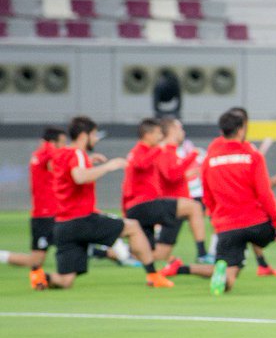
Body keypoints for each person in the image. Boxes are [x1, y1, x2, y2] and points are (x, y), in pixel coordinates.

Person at [41, 116, 168, 290]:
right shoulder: (77, 153)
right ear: (84, 135)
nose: (96, 139)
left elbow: (63, 171)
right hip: (81, 219)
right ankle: (154, 276)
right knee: (133, 227)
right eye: (94, 135)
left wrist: (88, 161)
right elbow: (79, 177)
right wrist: (108, 166)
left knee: (65, 280)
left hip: (63, 225)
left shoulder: (62, 153)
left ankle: (41, 277)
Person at [202, 110, 276, 293]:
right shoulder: (252, 156)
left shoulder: (210, 160)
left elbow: (207, 195)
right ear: (241, 130)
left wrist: (215, 219)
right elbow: (264, 193)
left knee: (230, 277)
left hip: (226, 226)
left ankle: (223, 277)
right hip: (254, 222)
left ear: (222, 131)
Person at [121, 118, 209, 266]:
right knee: (194, 207)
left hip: (156, 205)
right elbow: (169, 174)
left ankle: (125, 255)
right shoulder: (150, 151)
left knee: (158, 254)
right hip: (151, 204)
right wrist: (191, 156)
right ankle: (202, 254)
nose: (160, 137)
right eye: (157, 133)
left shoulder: (157, 151)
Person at [0, 128, 65, 287]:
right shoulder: (47, 153)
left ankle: (39, 281)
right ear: (52, 142)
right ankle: (115, 253)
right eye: (63, 142)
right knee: (36, 260)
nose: (64, 146)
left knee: (44, 257)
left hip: (46, 214)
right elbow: (60, 160)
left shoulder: (39, 155)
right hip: (46, 216)